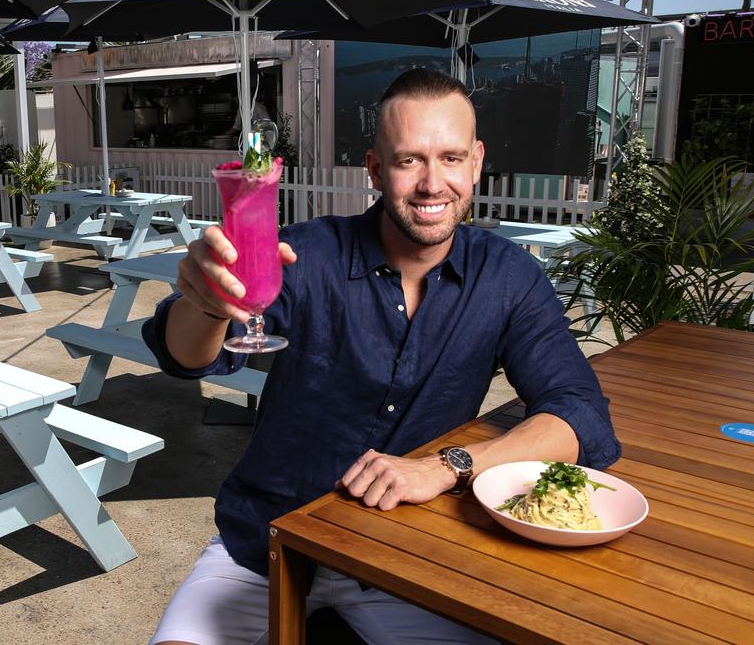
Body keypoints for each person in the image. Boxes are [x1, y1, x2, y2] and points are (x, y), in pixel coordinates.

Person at [143, 68, 619, 645]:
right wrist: (207, 304)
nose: (431, 183)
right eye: (408, 160)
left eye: (449, 158)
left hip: (409, 557)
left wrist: (447, 467)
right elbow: (186, 357)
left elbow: (581, 414)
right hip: (263, 546)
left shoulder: (509, 278)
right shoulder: (309, 251)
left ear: (476, 161)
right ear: (374, 169)